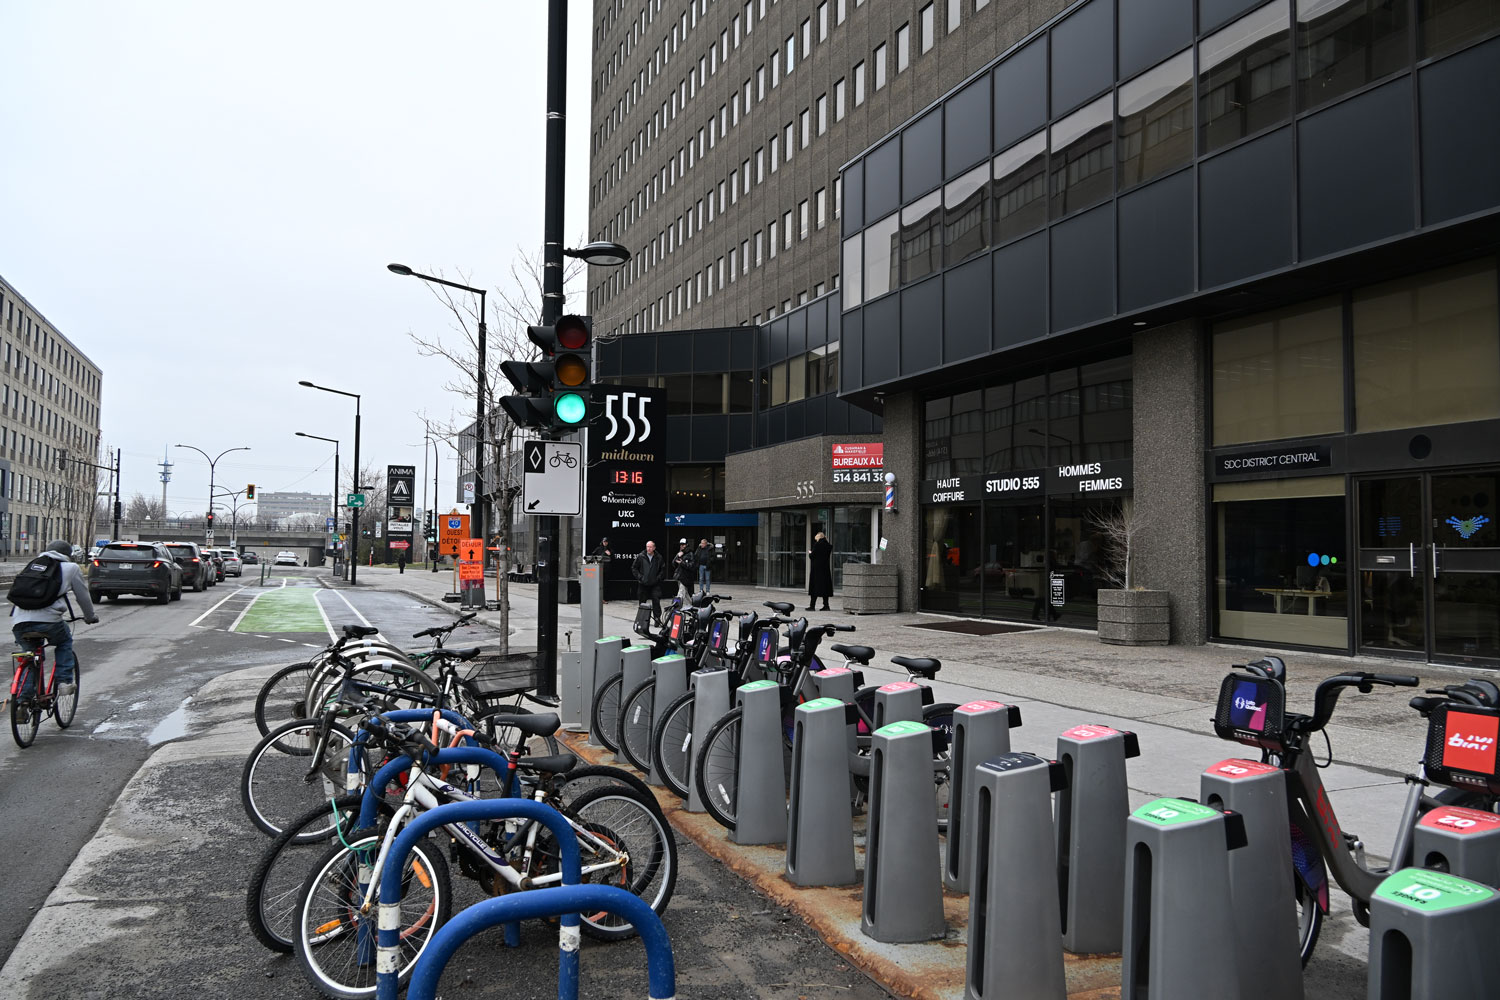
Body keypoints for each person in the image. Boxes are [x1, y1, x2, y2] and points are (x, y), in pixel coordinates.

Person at [10, 540, 98, 698]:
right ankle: (64, 681)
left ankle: (23, 700)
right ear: (68, 554)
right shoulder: (71, 568)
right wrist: (90, 617)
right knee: (64, 641)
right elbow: (83, 596)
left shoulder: (33, 565)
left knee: (29, 654)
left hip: (19, 621)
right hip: (49, 622)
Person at [632, 540, 667, 622]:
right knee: (642, 603)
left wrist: (658, 578)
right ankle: (642, 620)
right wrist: (640, 577)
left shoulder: (658, 557)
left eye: (650, 547)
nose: (648, 548)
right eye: (647, 546)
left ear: (654, 548)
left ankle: (657, 619)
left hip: (655, 584)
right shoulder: (641, 556)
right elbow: (634, 568)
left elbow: (663, 569)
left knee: (656, 601)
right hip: (643, 584)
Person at [807, 531, 833, 612]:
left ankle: (812, 606)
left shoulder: (817, 545)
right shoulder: (828, 546)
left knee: (814, 587)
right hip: (825, 569)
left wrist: (810, 553)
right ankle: (826, 605)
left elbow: (812, 556)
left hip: (817, 569)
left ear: (818, 537)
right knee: (825, 587)